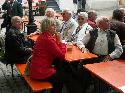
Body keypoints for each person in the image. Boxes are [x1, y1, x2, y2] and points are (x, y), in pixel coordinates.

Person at [29, 18, 83, 93]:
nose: (55, 27)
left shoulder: (43, 36)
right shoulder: (48, 39)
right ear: (47, 27)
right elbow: (61, 55)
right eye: (53, 25)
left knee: (60, 76)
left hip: (36, 69)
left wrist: (58, 42)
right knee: (68, 77)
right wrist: (60, 42)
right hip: (41, 72)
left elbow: (54, 50)